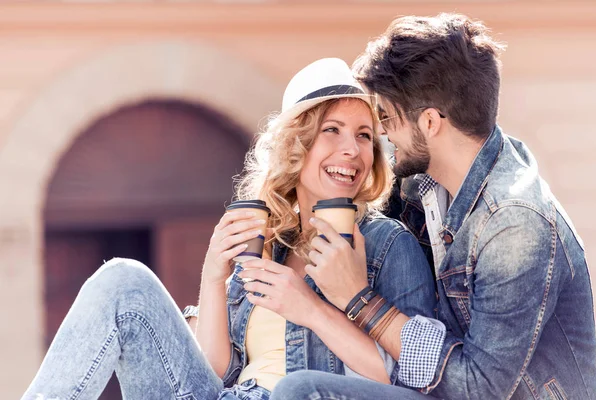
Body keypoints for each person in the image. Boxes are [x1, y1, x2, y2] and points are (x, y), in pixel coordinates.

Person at [22, 58, 437, 400]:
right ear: (297, 144)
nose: (352, 148)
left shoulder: (387, 244)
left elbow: (412, 382)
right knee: (122, 280)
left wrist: (311, 310)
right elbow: (217, 371)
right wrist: (214, 277)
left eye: (364, 136)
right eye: (332, 130)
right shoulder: (269, 244)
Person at [270, 13, 596, 400]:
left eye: (387, 118)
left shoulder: (514, 224)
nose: (382, 134)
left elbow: (476, 390)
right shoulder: (422, 187)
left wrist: (359, 300)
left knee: (304, 391)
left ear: (429, 122)